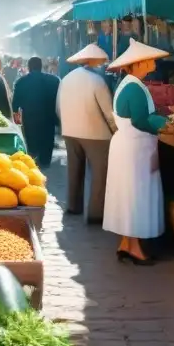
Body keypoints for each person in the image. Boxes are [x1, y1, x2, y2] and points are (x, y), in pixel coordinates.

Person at [103, 41, 170, 265]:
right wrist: (167, 124)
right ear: (138, 63)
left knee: (128, 196)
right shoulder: (134, 87)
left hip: (129, 147)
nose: (153, 62)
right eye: (150, 59)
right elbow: (141, 120)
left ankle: (126, 244)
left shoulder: (129, 83)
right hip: (135, 149)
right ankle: (134, 249)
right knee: (135, 197)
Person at [57, 44, 115, 222]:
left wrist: (66, 125)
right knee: (100, 172)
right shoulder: (97, 81)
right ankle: (96, 213)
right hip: (95, 134)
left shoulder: (66, 79)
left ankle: (74, 206)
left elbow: (58, 107)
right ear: (95, 61)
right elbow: (108, 112)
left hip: (70, 131)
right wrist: (115, 131)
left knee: (74, 169)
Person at [12, 57, 61, 168]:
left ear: (29, 67)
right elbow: (60, 99)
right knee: (48, 138)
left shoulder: (21, 81)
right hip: (49, 116)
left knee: (31, 138)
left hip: (30, 116)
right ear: (41, 66)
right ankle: (45, 161)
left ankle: (33, 159)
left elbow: (15, 102)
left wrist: (16, 113)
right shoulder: (54, 80)